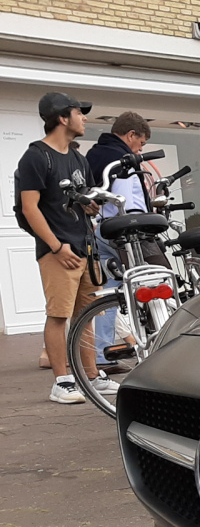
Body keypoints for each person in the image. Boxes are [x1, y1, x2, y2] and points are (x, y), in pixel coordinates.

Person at [15, 92, 118, 404]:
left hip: (85, 249)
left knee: (86, 315)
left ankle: (90, 376)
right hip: (58, 250)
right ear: (62, 117)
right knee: (59, 315)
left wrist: (92, 207)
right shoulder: (35, 157)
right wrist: (56, 246)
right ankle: (61, 381)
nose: (85, 118)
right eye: (79, 112)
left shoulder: (78, 158)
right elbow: (29, 208)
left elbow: (84, 199)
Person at [86, 111, 155, 370]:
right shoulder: (123, 160)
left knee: (109, 293)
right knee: (150, 284)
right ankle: (155, 344)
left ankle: (103, 353)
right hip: (124, 233)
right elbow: (129, 200)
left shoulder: (93, 154)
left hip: (100, 230)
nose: (140, 149)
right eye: (141, 143)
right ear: (131, 135)